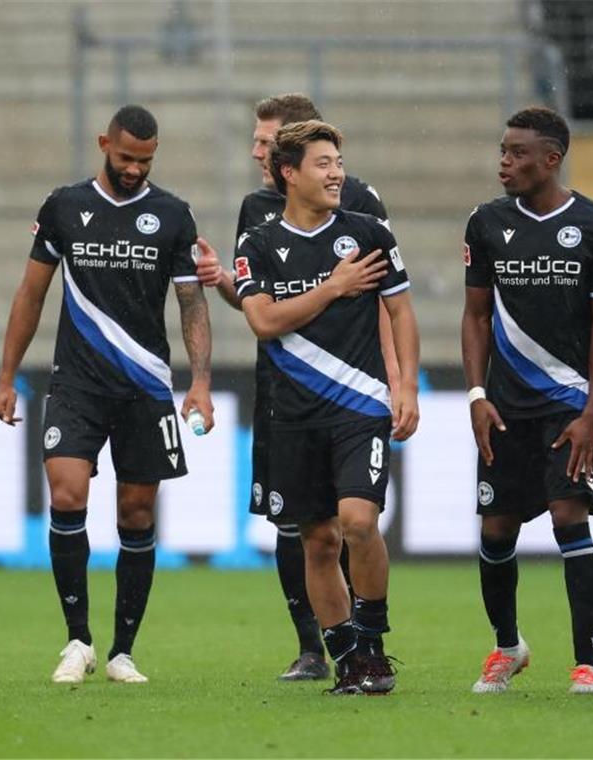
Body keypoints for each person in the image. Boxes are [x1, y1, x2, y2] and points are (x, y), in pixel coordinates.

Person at [0, 104, 216, 685]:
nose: (136, 169)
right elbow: (31, 293)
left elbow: (192, 303)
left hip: (144, 385)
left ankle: (122, 651)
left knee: (135, 513)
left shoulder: (172, 215)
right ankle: (77, 640)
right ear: (102, 144)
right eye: (126, 158)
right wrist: (7, 376)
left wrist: (200, 381)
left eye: (146, 160)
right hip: (77, 382)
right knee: (66, 495)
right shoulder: (64, 207)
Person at [195, 93, 399, 682]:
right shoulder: (255, 213)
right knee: (302, 527)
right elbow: (257, 304)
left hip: (353, 386)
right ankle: (316, 647)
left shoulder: (358, 206)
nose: (256, 152)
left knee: (353, 523)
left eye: (266, 141)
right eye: (257, 142)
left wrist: (393, 382)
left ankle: (366, 643)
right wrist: (223, 282)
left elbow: (384, 296)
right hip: (285, 386)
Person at [235, 120, 420, 695]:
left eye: (338, 161)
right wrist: (332, 288)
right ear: (289, 173)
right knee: (317, 540)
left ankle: (373, 644)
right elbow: (263, 321)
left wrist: (406, 386)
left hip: (359, 405)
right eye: (322, 163)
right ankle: (348, 659)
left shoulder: (368, 233)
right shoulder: (259, 243)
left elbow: (401, 312)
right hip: (291, 413)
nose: (336, 172)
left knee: (359, 522)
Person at [460, 106, 593, 695]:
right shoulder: (485, 223)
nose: (504, 161)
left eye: (516, 152)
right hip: (504, 407)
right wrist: (477, 394)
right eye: (502, 150)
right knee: (497, 528)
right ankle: (508, 648)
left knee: (569, 518)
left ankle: (588, 665)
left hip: (569, 405)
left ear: (550, 159)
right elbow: (475, 314)